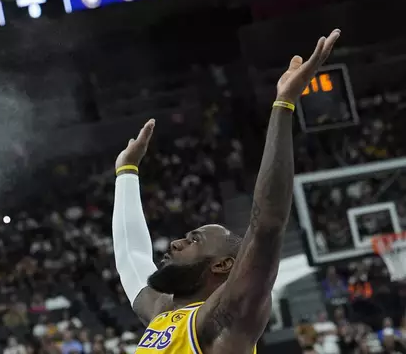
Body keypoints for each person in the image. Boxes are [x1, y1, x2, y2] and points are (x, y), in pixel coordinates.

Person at [112, 29, 341, 354]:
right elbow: (131, 258)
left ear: (222, 265)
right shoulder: (162, 316)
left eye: (193, 240)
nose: (175, 242)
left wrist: (283, 104)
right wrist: (126, 171)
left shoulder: (222, 318)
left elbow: (267, 226)